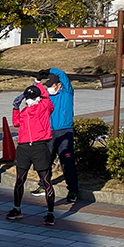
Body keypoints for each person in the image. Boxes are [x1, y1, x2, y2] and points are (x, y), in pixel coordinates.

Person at [8, 83, 56, 225]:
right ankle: (16, 208)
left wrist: (38, 84)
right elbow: (16, 123)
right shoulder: (24, 111)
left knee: (46, 181)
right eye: (27, 97)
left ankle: (50, 213)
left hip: (39, 146)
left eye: (32, 97)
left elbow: (47, 99)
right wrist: (15, 108)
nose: (29, 100)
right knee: (19, 180)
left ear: (38, 97)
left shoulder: (44, 106)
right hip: (23, 147)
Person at [37, 68, 78, 202]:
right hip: (49, 131)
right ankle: (43, 185)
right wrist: (38, 79)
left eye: (52, 86)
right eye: (47, 86)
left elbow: (64, 75)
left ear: (59, 85)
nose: (49, 88)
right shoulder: (46, 96)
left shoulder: (67, 92)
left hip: (65, 131)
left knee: (67, 162)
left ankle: (73, 191)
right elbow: (33, 92)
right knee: (45, 160)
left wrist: (50, 70)